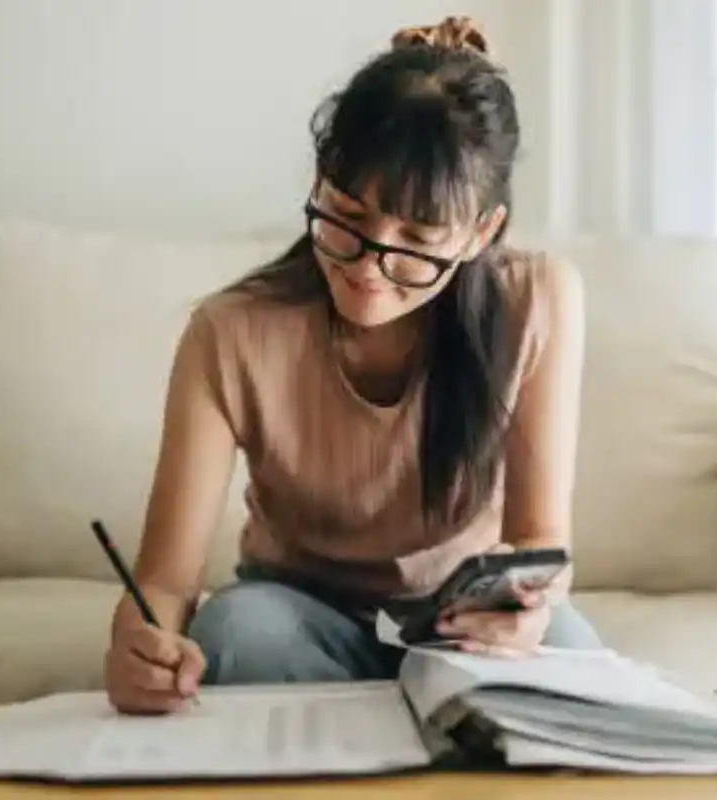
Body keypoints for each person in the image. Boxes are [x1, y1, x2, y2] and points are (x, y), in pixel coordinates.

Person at [103, 16, 602, 716]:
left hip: (461, 625)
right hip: (299, 617)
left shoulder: (538, 300)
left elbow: (540, 540)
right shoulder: (229, 333)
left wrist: (526, 613)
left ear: (481, 232)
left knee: (578, 667)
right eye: (345, 216)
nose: (369, 266)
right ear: (319, 178)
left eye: (418, 238)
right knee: (235, 634)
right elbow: (164, 582)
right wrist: (140, 639)